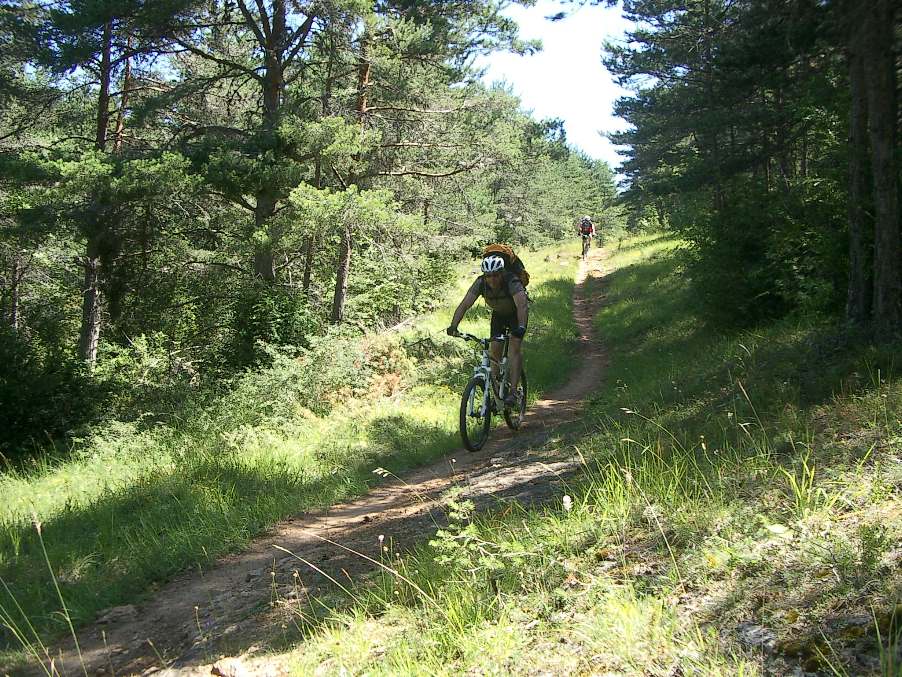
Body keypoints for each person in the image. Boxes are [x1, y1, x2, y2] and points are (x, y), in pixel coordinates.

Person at [446, 254, 529, 407]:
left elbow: (522, 306)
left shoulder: (512, 281)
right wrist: (454, 325)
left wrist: (521, 327)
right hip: (498, 316)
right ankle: (497, 394)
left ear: (502, 273)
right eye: (488, 276)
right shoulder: (480, 283)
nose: (492, 279)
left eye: (496, 275)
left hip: (516, 316)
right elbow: (465, 304)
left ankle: (513, 392)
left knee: (514, 349)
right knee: (494, 352)